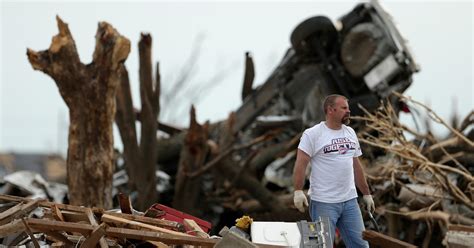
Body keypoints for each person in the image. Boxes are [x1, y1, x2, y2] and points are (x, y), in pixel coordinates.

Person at [293, 94, 375, 247]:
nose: (348, 111)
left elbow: (356, 165)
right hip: (324, 203)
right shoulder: (313, 134)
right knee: (322, 246)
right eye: (344, 108)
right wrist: (298, 191)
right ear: (331, 110)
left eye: (348, 108)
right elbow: (301, 163)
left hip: (350, 202)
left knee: (361, 245)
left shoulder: (350, 132)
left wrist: (366, 193)